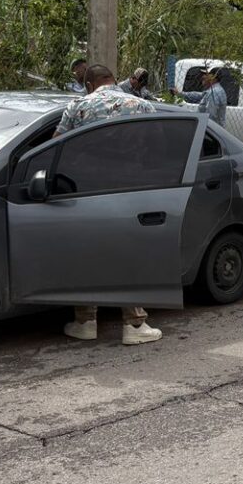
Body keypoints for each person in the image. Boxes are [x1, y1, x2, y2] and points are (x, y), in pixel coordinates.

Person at [55, 64, 162, 346]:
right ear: (114, 81)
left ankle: (86, 321)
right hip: (131, 195)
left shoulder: (76, 108)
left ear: (89, 85)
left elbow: (55, 148)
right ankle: (134, 324)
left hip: (88, 196)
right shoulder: (142, 106)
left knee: (88, 256)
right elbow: (159, 152)